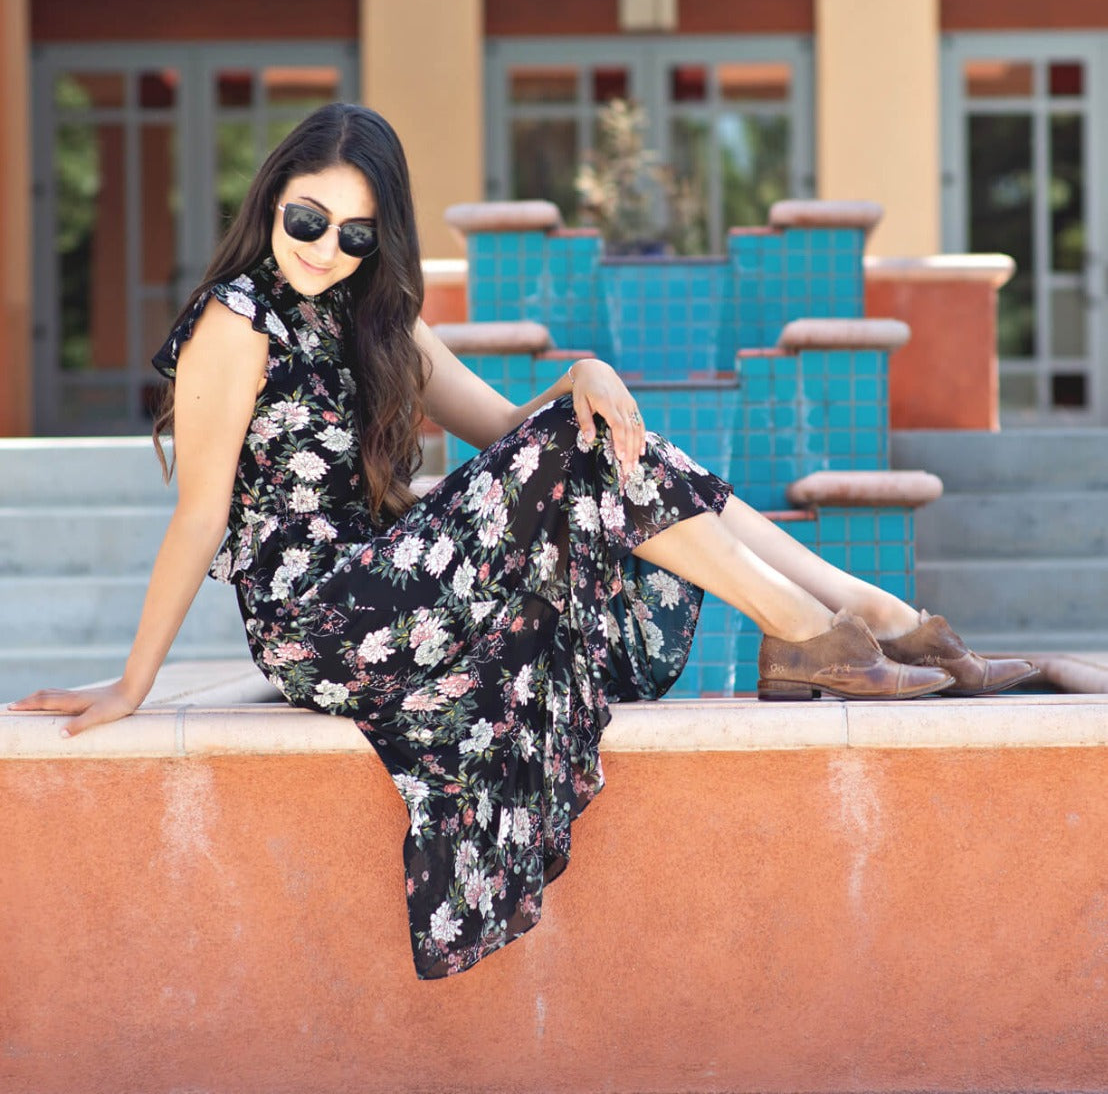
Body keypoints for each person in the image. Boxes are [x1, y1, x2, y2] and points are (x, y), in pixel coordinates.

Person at [8, 103, 1036, 979]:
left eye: (354, 234)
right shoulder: (233, 321)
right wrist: (133, 683)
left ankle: (861, 617)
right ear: (272, 197)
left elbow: (510, 434)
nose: (324, 249)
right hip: (320, 621)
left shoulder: (376, 318)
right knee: (589, 446)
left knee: (605, 432)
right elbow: (199, 512)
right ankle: (831, 627)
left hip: (391, 591)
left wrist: (585, 373)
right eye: (308, 219)